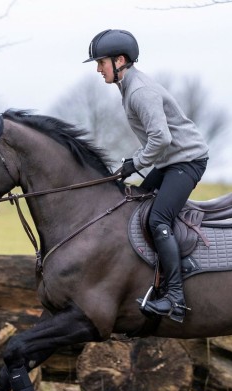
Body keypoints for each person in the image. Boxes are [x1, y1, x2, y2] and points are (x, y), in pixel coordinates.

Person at [84, 29, 209, 323]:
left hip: (187, 162)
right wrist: (130, 164)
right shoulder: (129, 88)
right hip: (170, 161)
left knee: (157, 220)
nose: (98, 69)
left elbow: (161, 139)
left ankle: (175, 298)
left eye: (100, 62)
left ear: (120, 60)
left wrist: (135, 164)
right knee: (135, 203)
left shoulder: (140, 92)